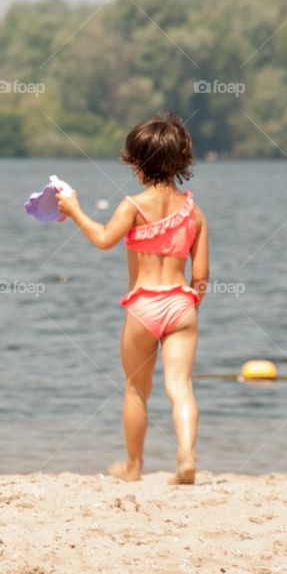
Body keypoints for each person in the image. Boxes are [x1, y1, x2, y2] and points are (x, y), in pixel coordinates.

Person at [56, 111, 209, 484]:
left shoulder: (133, 206)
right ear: (179, 163)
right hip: (181, 306)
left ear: (140, 164)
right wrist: (188, 305)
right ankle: (186, 456)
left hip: (143, 307)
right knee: (180, 386)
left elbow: (105, 240)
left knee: (137, 390)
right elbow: (201, 277)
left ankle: (133, 466)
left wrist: (75, 210)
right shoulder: (195, 214)